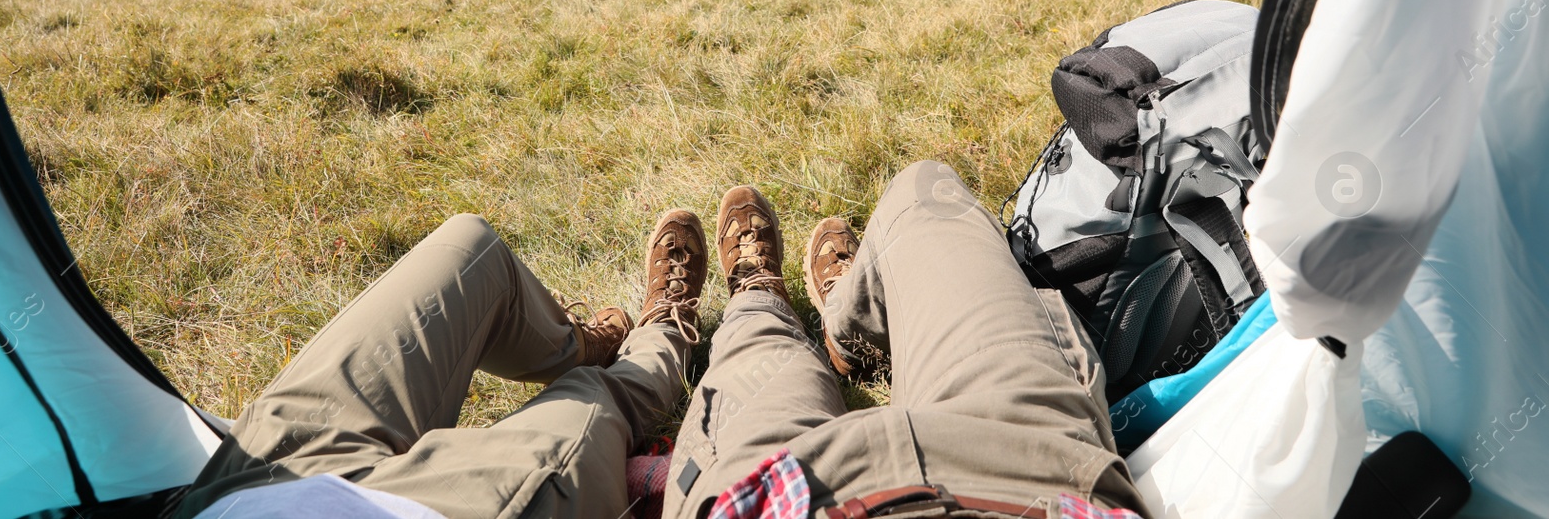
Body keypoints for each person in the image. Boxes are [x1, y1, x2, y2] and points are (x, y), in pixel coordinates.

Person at [663, 161, 1148, 519]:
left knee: (760, 346)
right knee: (924, 193)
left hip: (771, 497)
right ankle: (849, 321)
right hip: (1033, 469)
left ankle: (762, 298)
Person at [173, 207, 710, 519]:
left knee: (468, 248)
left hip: (238, 485)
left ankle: (579, 346)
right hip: (428, 510)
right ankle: (665, 332)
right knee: (596, 401)